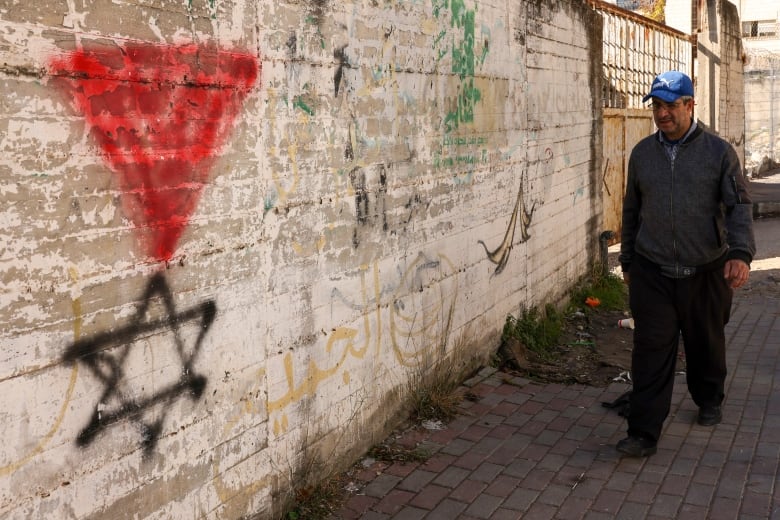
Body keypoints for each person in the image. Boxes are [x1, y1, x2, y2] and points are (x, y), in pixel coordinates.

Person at [616, 70, 756, 457]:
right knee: (650, 351)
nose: (663, 114)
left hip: (706, 271)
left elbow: (739, 206)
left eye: (671, 106)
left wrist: (740, 254)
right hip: (653, 270)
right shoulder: (642, 154)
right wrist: (628, 260)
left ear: (690, 105)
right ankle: (643, 433)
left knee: (705, 344)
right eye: (657, 106)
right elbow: (631, 210)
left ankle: (709, 398)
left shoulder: (718, 152)